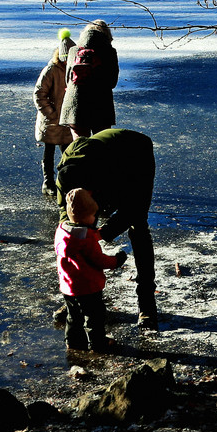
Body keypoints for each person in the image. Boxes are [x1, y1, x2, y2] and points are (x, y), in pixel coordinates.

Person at [56, 127, 160, 330]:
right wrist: (74, 235)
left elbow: (132, 209)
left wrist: (101, 234)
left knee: (138, 226)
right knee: (79, 227)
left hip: (135, 155)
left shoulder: (115, 173)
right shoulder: (66, 176)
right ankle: (79, 298)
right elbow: (66, 217)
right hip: (100, 171)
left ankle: (147, 304)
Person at [55, 187, 127, 353]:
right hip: (88, 286)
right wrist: (117, 260)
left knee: (73, 316)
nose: (95, 218)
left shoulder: (62, 232)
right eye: (93, 215)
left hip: (68, 286)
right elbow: (99, 260)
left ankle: (73, 342)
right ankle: (98, 343)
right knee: (94, 317)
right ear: (84, 217)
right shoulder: (85, 239)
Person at [33, 29, 76, 199]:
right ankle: (48, 183)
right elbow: (38, 93)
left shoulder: (74, 69)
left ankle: (65, 182)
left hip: (67, 120)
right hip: (51, 121)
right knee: (49, 153)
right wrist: (50, 113)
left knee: (68, 153)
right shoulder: (51, 70)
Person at [59, 19, 119, 141]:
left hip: (75, 107)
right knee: (101, 147)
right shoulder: (109, 52)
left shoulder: (73, 51)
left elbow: (68, 79)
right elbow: (112, 81)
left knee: (80, 148)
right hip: (101, 107)